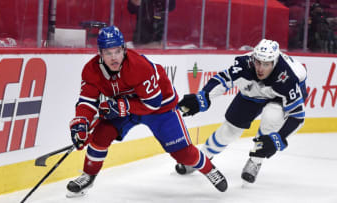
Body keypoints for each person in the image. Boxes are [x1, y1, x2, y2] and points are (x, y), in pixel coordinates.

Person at [66, 25, 227, 197]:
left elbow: (152, 103)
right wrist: (81, 123)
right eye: (108, 53)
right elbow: (87, 102)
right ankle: (88, 176)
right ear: (100, 53)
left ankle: (209, 169)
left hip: (160, 107)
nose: (114, 58)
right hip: (126, 105)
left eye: (117, 52)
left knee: (183, 154)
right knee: (101, 134)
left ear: (124, 50)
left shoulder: (138, 66)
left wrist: (121, 107)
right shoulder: (91, 70)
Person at [175, 39, 307, 184]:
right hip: (254, 93)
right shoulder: (245, 63)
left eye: (266, 64)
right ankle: (202, 158)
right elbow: (223, 80)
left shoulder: (287, 77)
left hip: (279, 98)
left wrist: (278, 139)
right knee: (229, 130)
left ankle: (255, 161)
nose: (260, 69)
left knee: (272, 118)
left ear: (274, 63)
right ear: (253, 59)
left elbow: (297, 116)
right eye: (258, 62)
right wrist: (203, 96)